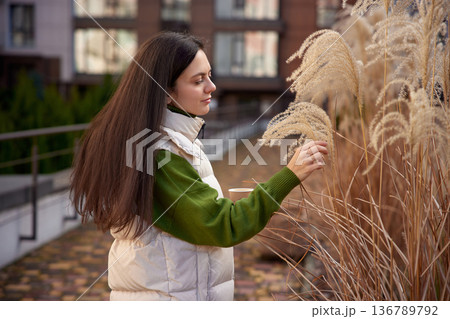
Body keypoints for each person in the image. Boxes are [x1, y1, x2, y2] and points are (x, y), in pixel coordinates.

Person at [70, 31, 328, 301]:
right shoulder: (158, 154)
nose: (211, 87)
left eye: (209, 75)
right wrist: (290, 175)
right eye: (198, 80)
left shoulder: (167, 143)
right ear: (166, 93)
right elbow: (224, 224)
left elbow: (198, 214)